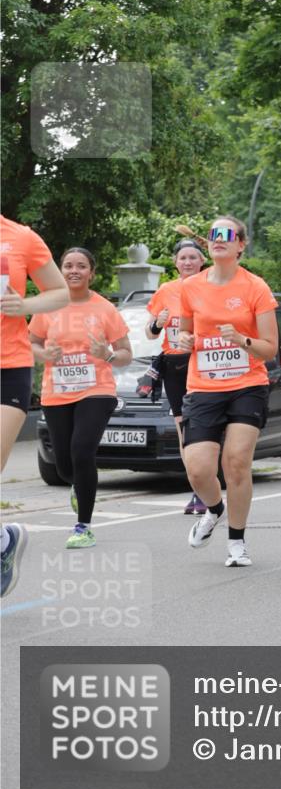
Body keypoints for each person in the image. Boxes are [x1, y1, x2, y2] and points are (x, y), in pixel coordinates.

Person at [179, 216, 279, 568]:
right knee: (198, 470)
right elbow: (182, 336)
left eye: (227, 235)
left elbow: (269, 348)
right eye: (213, 235)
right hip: (204, 386)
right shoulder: (190, 287)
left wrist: (242, 340)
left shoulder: (256, 288)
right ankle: (215, 508)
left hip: (247, 384)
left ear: (241, 245)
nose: (219, 239)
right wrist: (184, 340)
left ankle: (237, 540)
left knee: (236, 462)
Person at [29, 248, 132, 548]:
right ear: (60, 271)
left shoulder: (104, 309)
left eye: (82, 266)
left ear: (92, 273)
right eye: (68, 265)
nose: (74, 271)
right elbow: (30, 342)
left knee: (82, 449)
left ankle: (83, 526)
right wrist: (43, 354)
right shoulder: (48, 306)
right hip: (57, 391)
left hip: (96, 389)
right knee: (63, 465)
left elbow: (126, 354)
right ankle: (78, 484)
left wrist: (108, 354)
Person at [1, 216, 69, 594]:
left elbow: (58, 292)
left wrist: (24, 304)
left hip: (7, 366)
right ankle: (4, 541)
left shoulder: (21, 237)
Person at [146, 238, 208, 514]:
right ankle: (197, 488)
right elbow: (150, 332)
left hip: (204, 361)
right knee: (184, 429)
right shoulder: (166, 290)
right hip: (175, 364)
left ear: (202, 261)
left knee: (205, 426)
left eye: (193, 258)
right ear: (175, 262)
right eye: (183, 258)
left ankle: (209, 486)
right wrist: (157, 324)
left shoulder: (211, 286)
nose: (187, 263)